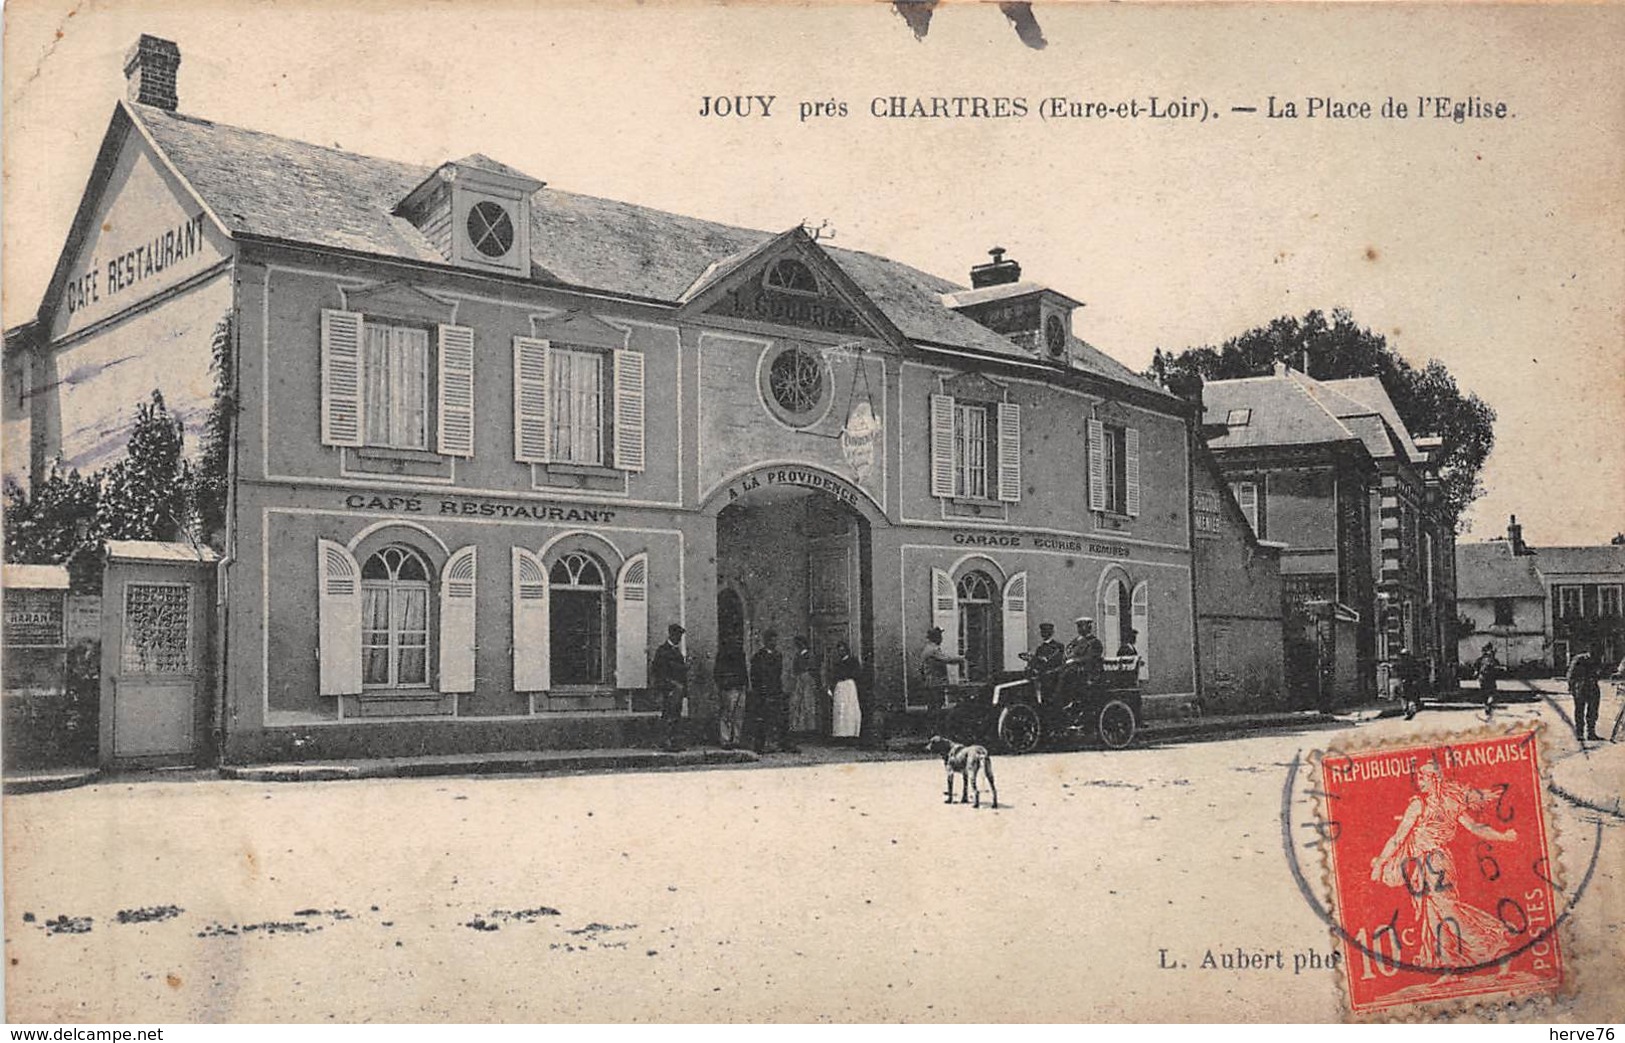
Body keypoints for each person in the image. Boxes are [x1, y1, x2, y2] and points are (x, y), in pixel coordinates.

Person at [1369, 759, 1518, 976]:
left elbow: (1398, 838)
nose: (1419, 781)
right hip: (1430, 863)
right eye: (1419, 777)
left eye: (1423, 777)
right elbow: (1399, 837)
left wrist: (1503, 837)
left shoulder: (1425, 804)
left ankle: (1493, 940)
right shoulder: (1437, 804)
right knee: (1434, 916)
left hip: (1434, 863)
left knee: (1447, 910)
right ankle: (1448, 967)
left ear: (1435, 779)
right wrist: (1504, 837)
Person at [750, 629, 792, 754]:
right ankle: (760, 745)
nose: (774, 642)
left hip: (775, 690)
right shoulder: (759, 656)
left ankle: (778, 743)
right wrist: (759, 690)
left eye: (775, 640)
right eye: (771, 640)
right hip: (763, 692)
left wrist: (779, 689)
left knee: (778, 718)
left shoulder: (778, 655)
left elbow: (778, 674)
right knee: (762, 719)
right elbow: (755, 675)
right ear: (765, 641)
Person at [650, 623, 689, 751]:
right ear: (671, 634)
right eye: (677, 635)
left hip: (678, 689)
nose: (679, 638)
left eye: (680, 636)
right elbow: (657, 671)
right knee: (668, 715)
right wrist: (669, 684)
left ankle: (674, 741)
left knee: (676, 715)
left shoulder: (676, 651)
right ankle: (666, 741)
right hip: (668, 689)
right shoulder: (663, 651)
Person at [713, 638, 749, 750]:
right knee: (727, 714)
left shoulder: (740, 654)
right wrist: (723, 684)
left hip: (739, 687)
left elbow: (744, 670)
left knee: (739, 715)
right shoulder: (722, 655)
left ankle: (736, 739)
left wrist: (745, 684)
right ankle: (725, 739)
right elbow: (717, 672)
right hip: (729, 688)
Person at [919, 626, 965, 711]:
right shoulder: (933, 650)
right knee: (936, 706)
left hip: (931, 682)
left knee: (933, 706)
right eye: (940, 636)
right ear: (936, 637)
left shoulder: (928, 648)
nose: (941, 638)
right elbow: (947, 659)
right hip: (935, 683)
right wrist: (963, 658)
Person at [1020, 622, 1066, 700]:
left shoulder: (1058, 646)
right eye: (1042, 631)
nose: (1043, 633)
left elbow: (1052, 661)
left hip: (1053, 677)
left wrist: (1038, 660)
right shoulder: (1040, 648)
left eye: (1046, 631)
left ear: (1051, 632)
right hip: (1041, 676)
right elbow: (1036, 661)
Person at [1567, 647, 1602, 742]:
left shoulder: (1597, 660)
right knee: (1579, 711)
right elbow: (1570, 674)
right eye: (1592, 653)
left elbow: (1598, 673)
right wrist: (1571, 687)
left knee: (1593, 711)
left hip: (1593, 688)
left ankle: (1591, 733)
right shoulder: (1578, 659)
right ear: (1588, 652)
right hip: (1580, 688)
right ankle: (1579, 733)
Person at [830, 640, 863, 740]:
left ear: (846, 650)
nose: (841, 652)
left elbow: (856, 673)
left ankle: (851, 732)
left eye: (843, 650)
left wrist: (847, 676)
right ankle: (841, 733)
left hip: (849, 686)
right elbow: (834, 675)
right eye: (839, 651)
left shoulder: (853, 661)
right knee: (840, 709)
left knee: (850, 708)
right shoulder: (837, 663)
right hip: (840, 686)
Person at [789, 636, 821, 735]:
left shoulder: (810, 655)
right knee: (797, 704)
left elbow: (814, 669)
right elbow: (794, 670)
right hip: (800, 681)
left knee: (808, 704)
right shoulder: (797, 656)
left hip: (808, 681)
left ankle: (810, 728)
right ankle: (799, 728)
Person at [1064, 616, 1105, 689]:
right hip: (1075, 669)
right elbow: (1068, 651)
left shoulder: (1094, 642)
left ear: (1089, 627)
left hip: (1089, 672)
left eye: (1082, 626)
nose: (1079, 629)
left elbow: (1091, 657)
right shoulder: (1076, 641)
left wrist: (1074, 660)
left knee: (1066, 676)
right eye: (1078, 627)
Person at [1475, 644, 1500, 716]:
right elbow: (1497, 669)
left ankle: (1486, 706)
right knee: (1492, 693)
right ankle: (1489, 705)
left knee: (1484, 693)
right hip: (1491, 679)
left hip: (1482, 678)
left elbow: (1476, 669)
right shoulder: (1494, 660)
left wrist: (1476, 674)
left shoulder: (1480, 659)